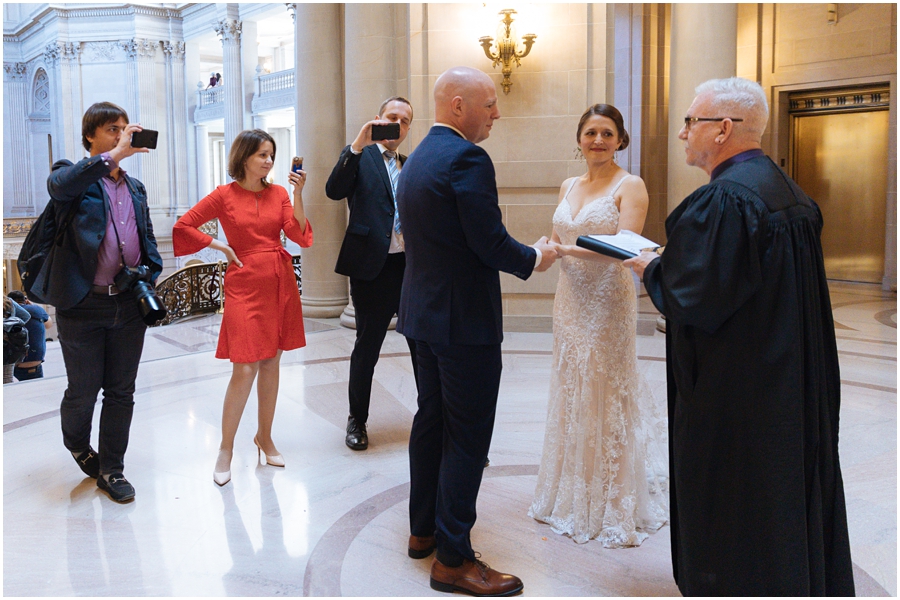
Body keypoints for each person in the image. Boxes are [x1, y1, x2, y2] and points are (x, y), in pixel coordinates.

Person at [624, 77, 855, 596]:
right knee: (783, 495)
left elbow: (694, 298)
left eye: (690, 122)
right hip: (786, 378)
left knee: (734, 501)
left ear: (723, 129)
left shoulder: (726, 200)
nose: (683, 134)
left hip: (738, 392)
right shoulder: (785, 190)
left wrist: (651, 269)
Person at [396, 66, 557, 597]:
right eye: (489, 104)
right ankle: (454, 560)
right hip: (462, 323)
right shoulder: (467, 157)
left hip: (422, 316)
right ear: (459, 105)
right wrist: (536, 256)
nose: (497, 113)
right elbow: (489, 242)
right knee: (467, 438)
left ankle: (423, 532)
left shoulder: (418, 156)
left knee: (432, 423)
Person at [529, 104, 668, 546]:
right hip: (569, 299)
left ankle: (609, 497)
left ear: (620, 139)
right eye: (590, 132)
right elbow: (560, 233)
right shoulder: (569, 183)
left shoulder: (632, 185)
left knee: (604, 387)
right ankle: (570, 488)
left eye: (607, 133)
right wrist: (546, 247)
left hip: (608, 301)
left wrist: (563, 252)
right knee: (572, 385)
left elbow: (625, 249)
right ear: (579, 139)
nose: (598, 141)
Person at [173, 129, 313, 487]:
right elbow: (184, 225)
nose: (268, 161)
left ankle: (264, 437)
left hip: (278, 280)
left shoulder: (280, 192)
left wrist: (298, 194)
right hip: (244, 282)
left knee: (271, 362)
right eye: (261, 155)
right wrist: (219, 245)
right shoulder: (224, 195)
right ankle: (225, 448)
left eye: (271, 155)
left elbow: (297, 234)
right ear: (244, 157)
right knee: (244, 368)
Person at [46, 101, 163, 503]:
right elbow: (60, 186)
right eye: (113, 129)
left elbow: (146, 238)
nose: (122, 135)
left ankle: (112, 469)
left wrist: (150, 271)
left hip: (128, 304)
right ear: (90, 136)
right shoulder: (71, 175)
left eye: (125, 128)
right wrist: (112, 156)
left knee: (121, 391)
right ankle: (78, 445)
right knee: (83, 389)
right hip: (82, 305)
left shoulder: (134, 187)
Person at [325, 96, 418, 451]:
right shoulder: (360, 158)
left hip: (409, 269)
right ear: (378, 119)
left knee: (422, 348)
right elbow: (334, 190)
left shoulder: (411, 165)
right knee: (367, 348)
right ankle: (357, 421)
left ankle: (432, 419)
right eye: (392, 117)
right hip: (371, 270)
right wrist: (357, 143)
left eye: (405, 121)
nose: (398, 124)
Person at [8, 290, 51, 381]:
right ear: (25, 300)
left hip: (10, 363)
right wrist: (32, 305)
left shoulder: (7, 312)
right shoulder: (36, 309)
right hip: (33, 363)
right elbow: (49, 324)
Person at [3, 296, 31, 384]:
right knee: (7, 378)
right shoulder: (8, 301)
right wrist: (12, 329)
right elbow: (26, 316)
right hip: (9, 346)